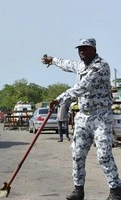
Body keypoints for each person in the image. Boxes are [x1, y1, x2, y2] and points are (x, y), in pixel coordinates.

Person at [41, 38, 121, 200]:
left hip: (101, 116)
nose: (82, 52)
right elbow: (68, 64)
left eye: (85, 49)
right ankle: (78, 190)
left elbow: (83, 86)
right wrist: (53, 60)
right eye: (80, 49)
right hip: (83, 116)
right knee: (77, 154)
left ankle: (116, 190)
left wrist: (60, 98)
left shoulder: (101, 66)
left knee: (104, 154)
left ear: (94, 49)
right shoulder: (81, 65)